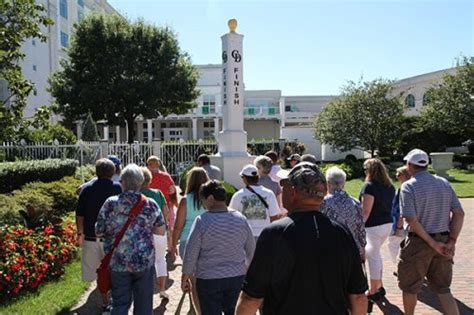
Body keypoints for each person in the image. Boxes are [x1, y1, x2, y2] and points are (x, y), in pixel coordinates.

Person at [235, 162, 368, 315]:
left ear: (293, 192)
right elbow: (358, 296)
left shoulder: (276, 233)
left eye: (284, 187)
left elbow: (251, 298)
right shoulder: (341, 232)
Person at [398, 149, 464, 315]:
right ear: (427, 165)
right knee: (443, 289)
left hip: (418, 242)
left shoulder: (408, 186)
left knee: (410, 287)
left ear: (409, 165)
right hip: (443, 239)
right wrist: (451, 241)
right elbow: (459, 213)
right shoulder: (444, 183)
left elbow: (411, 219)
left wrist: (432, 243)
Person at [95, 164, 164, 315]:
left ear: (123, 182)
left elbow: (98, 231)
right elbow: (160, 230)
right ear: (140, 182)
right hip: (144, 262)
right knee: (144, 305)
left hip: (118, 262)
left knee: (119, 303)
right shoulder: (150, 204)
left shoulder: (110, 203)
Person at [182, 180, 255, 315]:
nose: (203, 204)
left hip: (208, 278)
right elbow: (251, 249)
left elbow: (191, 252)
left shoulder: (202, 221)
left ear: (210, 198)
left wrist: (185, 276)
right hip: (236, 276)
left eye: (203, 200)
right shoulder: (240, 219)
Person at [76, 158, 122, 312]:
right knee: (114, 271)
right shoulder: (118, 188)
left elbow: (79, 214)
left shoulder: (87, 190)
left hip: (91, 237)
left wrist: (79, 233)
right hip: (113, 239)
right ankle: (115, 301)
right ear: (113, 171)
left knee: (98, 272)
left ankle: (105, 301)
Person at [171, 167, 209, 313]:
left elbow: (178, 227)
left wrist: (173, 246)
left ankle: (199, 310)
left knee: (194, 280)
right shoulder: (211, 199)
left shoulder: (186, 201)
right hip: (208, 242)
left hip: (188, 243)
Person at [359, 158, 395, 300]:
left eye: (365, 169)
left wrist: (359, 227)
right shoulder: (389, 186)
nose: (365, 172)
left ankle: (373, 290)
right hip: (386, 224)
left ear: (370, 171)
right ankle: (378, 284)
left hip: (372, 226)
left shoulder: (369, 186)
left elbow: (365, 211)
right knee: (376, 255)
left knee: (373, 257)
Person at [320, 166, 366, 260]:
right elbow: (361, 228)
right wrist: (362, 248)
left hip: (332, 250)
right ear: (344, 183)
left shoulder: (324, 203)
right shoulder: (355, 202)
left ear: (328, 183)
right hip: (353, 249)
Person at [140, 167, 169, 300]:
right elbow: (166, 212)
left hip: (141, 234)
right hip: (159, 231)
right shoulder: (157, 193)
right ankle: (162, 289)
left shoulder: (135, 195)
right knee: (161, 260)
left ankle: (144, 291)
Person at [229, 164, 281, 240]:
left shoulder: (238, 195)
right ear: (258, 177)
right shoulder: (269, 193)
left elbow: (232, 217)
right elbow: (274, 216)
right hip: (264, 234)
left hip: (245, 235)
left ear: (244, 178)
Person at [147, 155, 178, 248]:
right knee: (168, 226)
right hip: (166, 204)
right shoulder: (165, 176)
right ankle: (171, 247)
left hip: (150, 205)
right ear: (159, 164)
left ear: (148, 165)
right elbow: (172, 189)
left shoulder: (146, 177)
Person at [387, 166, 410, 267]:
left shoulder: (404, 189)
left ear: (405, 175)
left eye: (399, 174)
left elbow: (401, 209)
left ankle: (400, 266)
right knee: (401, 244)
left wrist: (399, 227)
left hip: (401, 222)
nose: (396, 176)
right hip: (399, 221)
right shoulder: (403, 187)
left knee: (393, 244)